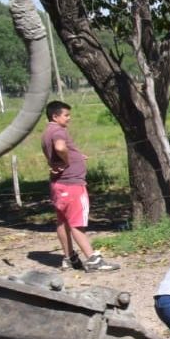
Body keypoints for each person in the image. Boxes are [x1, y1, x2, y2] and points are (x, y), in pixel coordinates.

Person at [39, 100, 120, 272]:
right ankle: (92, 260)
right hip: (72, 184)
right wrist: (68, 160)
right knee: (77, 222)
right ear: (55, 116)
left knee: (62, 222)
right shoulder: (58, 131)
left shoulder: (47, 131)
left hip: (58, 185)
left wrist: (76, 156)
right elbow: (60, 147)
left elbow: (59, 150)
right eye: (66, 115)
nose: (69, 118)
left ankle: (69, 258)